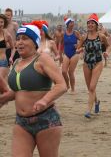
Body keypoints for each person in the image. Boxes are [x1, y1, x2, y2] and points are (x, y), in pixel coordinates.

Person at [0, 24, 66, 157]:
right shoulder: (17, 62)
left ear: (35, 42)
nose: (19, 42)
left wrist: (44, 100)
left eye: (25, 38)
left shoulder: (42, 59)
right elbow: (20, 90)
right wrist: (5, 98)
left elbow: (61, 85)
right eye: (18, 39)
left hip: (46, 119)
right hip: (21, 122)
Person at [76, 14, 109, 118]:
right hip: (86, 64)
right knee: (90, 88)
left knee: (92, 87)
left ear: (96, 25)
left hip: (98, 63)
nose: (90, 25)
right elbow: (78, 48)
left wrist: (106, 52)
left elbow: (108, 46)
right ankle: (97, 101)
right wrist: (80, 50)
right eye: (89, 23)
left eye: (92, 23)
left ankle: (88, 111)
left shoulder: (101, 36)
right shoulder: (84, 37)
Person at [62, 17, 81, 93]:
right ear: (67, 24)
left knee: (70, 72)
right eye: (71, 23)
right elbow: (60, 43)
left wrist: (78, 46)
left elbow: (82, 40)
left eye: (73, 23)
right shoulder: (64, 33)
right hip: (66, 54)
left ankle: (73, 89)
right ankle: (67, 84)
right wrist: (60, 53)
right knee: (63, 71)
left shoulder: (75, 33)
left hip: (74, 54)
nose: (72, 24)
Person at [0, 14, 15, 81]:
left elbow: (13, 48)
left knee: (1, 82)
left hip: (2, 62)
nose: (0, 24)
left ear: (4, 23)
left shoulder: (6, 34)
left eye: (1, 22)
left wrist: (11, 57)